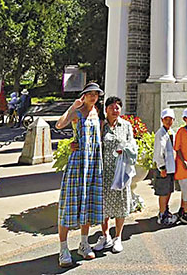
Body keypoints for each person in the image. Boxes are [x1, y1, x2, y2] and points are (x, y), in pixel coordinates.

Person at [54, 83, 105, 267]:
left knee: (88, 203)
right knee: (69, 204)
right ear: (83, 95)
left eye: (95, 94)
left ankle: (84, 243)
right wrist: (72, 107)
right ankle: (63, 249)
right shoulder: (78, 111)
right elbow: (59, 125)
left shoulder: (96, 112)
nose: (93, 97)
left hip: (92, 163)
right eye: (89, 94)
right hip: (77, 163)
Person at [92, 95, 137, 254]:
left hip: (120, 172)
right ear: (106, 109)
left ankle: (118, 237)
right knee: (103, 206)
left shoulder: (126, 126)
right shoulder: (101, 125)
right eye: (111, 107)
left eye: (117, 107)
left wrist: (124, 149)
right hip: (103, 172)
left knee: (120, 204)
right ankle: (105, 236)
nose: (114, 109)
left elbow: (133, 146)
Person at [153, 108, 178, 226]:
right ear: (162, 120)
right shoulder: (160, 134)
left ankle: (165, 211)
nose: (168, 121)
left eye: (170, 119)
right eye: (166, 119)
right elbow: (158, 152)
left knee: (168, 190)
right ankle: (162, 215)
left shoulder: (170, 132)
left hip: (171, 167)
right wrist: (162, 167)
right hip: (163, 168)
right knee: (163, 192)